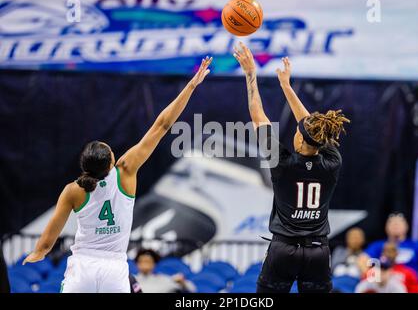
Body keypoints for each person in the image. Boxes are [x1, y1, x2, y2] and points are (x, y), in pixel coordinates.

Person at [21, 57, 213, 292]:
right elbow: (162, 125)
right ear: (111, 161)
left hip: (83, 267)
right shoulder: (125, 171)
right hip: (114, 269)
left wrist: (38, 252)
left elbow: (50, 238)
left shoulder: (73, 190)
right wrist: (191, 85)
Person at [233, 42, 350, 293]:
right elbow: (312, 128)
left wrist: (250, 74)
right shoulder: (332, 162)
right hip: (318, 251)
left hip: (284, 248)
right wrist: (286, 85)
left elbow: (257, 115)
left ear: (299, 139)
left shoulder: (282, 162)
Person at [358, 213, 418, 291]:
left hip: (409, 283)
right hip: (383, 285)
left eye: (399, 223)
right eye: (392, 223)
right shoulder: (378, 245)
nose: (395, 226)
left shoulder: (416, 246)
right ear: (386, 227)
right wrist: (374, 279)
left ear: (406, 226)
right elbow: (362, 260)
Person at [331, 227, 365, 292]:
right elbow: (333, 267)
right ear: (347, 239)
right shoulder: (339, 251)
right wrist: (349, 253)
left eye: (357, 237)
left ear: (362, 240)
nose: (355, 240)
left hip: (353, 285)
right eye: (352, 237)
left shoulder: (365, 254)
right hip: (335, 282)